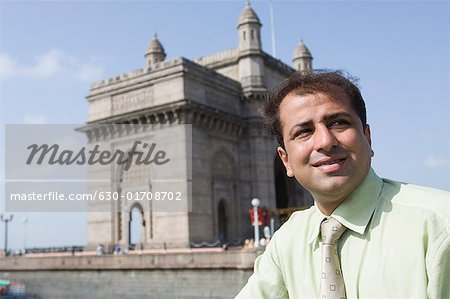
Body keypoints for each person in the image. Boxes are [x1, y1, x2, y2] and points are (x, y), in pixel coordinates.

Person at [235, 71, 449, 298]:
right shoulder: (288, 241)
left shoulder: (439, 224)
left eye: (338, 123)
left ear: (368, 138)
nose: (325, 141)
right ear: (285, 159)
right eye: (304, 131)